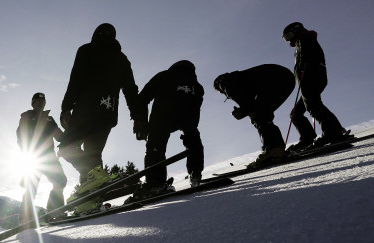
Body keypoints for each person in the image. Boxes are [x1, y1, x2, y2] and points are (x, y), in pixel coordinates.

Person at [57, 23, 147, 185]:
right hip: (108, 113)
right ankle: (92, 198)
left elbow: (76, 80)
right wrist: (139, 119)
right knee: (94, 153)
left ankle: (95, 175)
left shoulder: (87, 50)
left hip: (86, 110)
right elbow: (131, 92)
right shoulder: (123, 60)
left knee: (66, 149)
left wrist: (66, 107)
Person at [133, 60, 205, 198]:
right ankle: (196, 172)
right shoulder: (198, 87)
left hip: (162, 115)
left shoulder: (164, 75)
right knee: (193, 138)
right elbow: (196, 111)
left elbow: (143, 98)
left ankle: (155, 183)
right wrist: (189, 129)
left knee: (156, 146)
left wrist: (140, 125)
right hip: (186, 117)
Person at [282, 22, 348, 150]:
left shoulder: (305, 38)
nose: (289, 40)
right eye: (286, 38)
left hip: (311, 78)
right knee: (296, 114)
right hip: (309, 79)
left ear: (296, 31)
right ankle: (307, 138)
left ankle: (333, 132)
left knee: (313, 105)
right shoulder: (303, 40)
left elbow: (308, 55)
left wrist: (303, 68)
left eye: (289, 36)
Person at [213, 64, 295, 168]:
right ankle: (276, 148)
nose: (224, 94)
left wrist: (241, 113)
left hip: (274, 80)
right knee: (263, 113)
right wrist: (245, 111)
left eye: (221, 92)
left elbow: (248, 106)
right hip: (286, 78)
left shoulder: (225, 82)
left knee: (259, 116)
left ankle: (273, 150)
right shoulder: (240, 78)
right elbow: (250, 104)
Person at [16, 92, 66, 221]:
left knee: (60, 181)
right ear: (33, 103)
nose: (41, 104)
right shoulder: (26, 117)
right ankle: (25, 218)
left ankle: (55, 211)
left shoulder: (49, 119)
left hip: (50, 158)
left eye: (43, 102)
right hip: (34, 158)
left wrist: (71, 134)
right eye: (38, 101)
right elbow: (20, 137)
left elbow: (60, 136)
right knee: (31, 187)